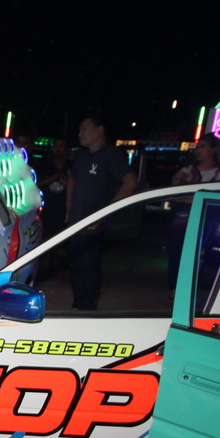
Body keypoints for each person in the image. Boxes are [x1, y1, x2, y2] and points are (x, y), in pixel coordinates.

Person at [65, 114, 138, 310]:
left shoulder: (111, 155)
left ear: (99, 130)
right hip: (76, 218)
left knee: (88, 263)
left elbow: (130, 182)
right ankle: (79, 303)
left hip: (94, 221)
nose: (80, 133)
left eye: (84, 128)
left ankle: (89, 304)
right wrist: (69, 206)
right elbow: (72, 178)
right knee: (75, 263)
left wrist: (107, 211)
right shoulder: (82, 156)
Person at [166, 132, 220, 289]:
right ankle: (174, 288)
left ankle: (190, 287)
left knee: (198, 253)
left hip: (205, 219)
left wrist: (189, 198)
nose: (198, 151)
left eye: (203, 147)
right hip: (182, 217)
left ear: (214, 149)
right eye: (197, 147)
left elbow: (218, 200)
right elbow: (174, 191)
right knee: (176, 252)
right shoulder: (188, 171)